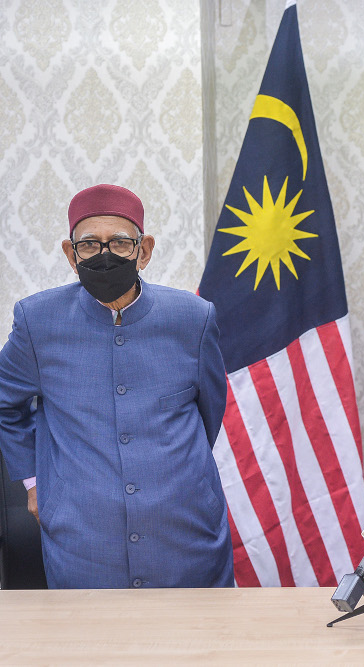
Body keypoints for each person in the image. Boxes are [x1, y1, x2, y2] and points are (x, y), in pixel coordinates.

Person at [0, 183, 233, 588]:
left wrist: (176, 472)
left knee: (198, 645)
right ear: (71, 255)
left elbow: (210, 412)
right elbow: (5, 403)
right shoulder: (38, 322)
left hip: (185, 535)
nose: (104, 254)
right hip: (83, 541)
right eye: (89, 244)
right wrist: (35, 483)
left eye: (120, 243)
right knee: (90, 648)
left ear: (143, 250)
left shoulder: (194, 318)